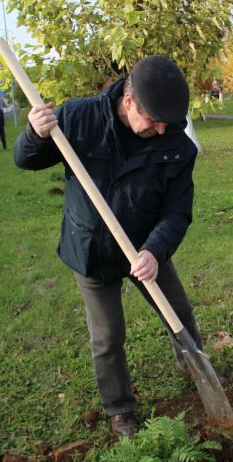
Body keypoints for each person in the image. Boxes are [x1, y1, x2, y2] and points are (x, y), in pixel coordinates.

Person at [14, 55, 218, 437]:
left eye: (167, 122)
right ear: (128, 102)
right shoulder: (78, 118)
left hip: (143, 246)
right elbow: (25, 160)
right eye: (154, 120)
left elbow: (177, 211)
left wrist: (154, 251)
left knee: (180, 313)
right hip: (90, 249)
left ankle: (197, 369)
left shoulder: (176, 144)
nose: (161, 130)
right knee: (108, 335)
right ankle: (120, 409)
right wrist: (35, 134)